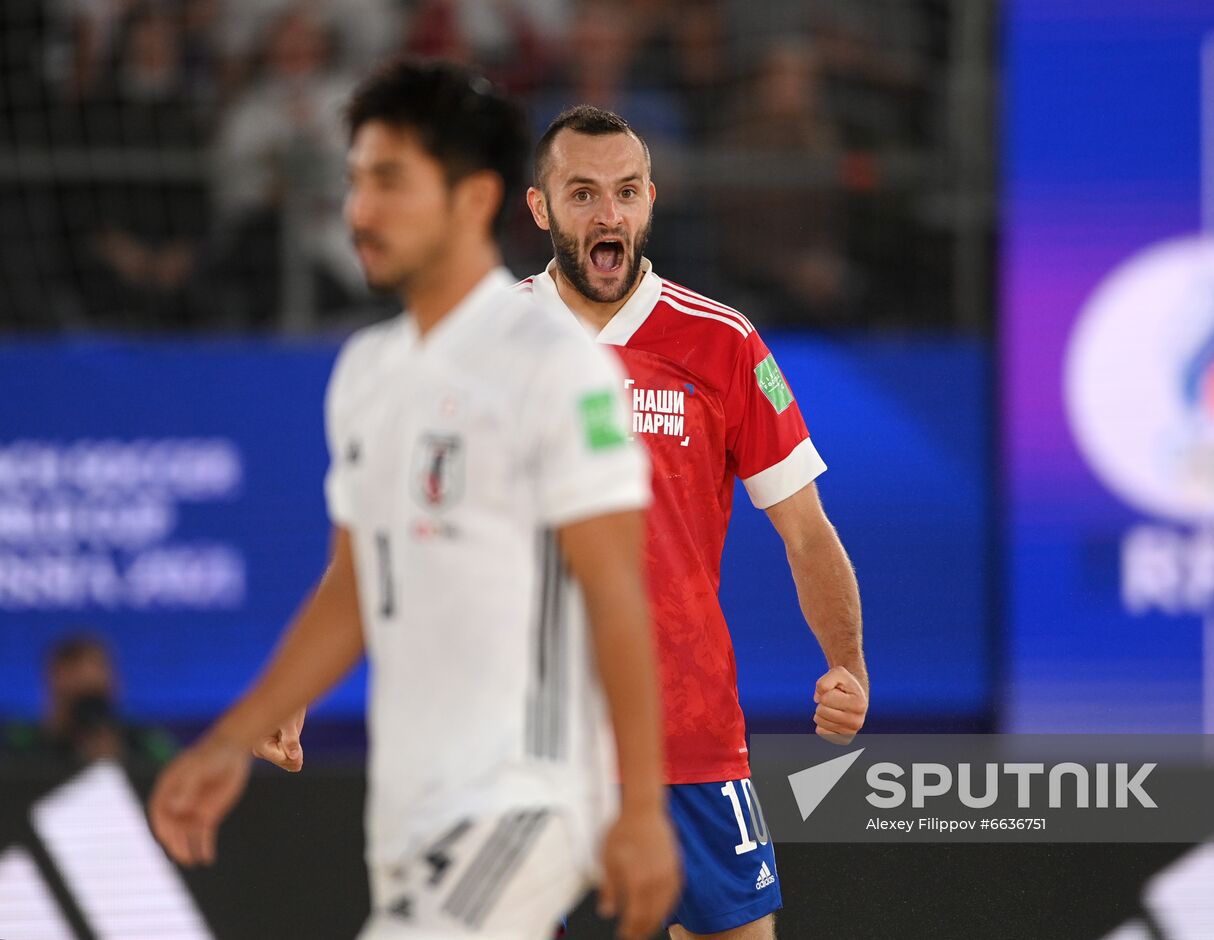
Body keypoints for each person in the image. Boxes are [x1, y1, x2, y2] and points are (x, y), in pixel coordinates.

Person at [147, 60, 680, 940]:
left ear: (472, 199)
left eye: (389, 181)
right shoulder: (367, 374)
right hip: (411, 805)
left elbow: (617, 594)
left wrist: (643, 809)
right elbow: (357, 588)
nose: (359, 209)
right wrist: (236, 731)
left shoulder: (554, 368)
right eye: (357, 180)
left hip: (526, 795)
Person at [520, 106, 869, 939]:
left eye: (626, 192)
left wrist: (847, 664)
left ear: (651, 200)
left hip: (686, 736)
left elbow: (805, 528)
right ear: (540, 207)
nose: (608, 215)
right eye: (582, 194)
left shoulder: (723, 343)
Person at [3, 633, 176, 768]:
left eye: (96, 700)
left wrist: (121, 763)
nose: (88, 715)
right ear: (53, 685)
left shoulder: (146, 744)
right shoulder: (18, 746)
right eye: (79, 699)